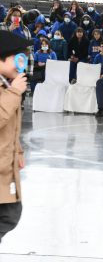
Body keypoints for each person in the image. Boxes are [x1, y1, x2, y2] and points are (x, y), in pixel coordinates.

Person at [0, 30, 32, 243]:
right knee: (8, 215)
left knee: (11, 213)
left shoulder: (8, 85)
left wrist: (18, 151)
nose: (22, 63)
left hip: (5, 163)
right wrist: (13, 94)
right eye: (17, 57)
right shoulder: (10, 89)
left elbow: (11, 126)